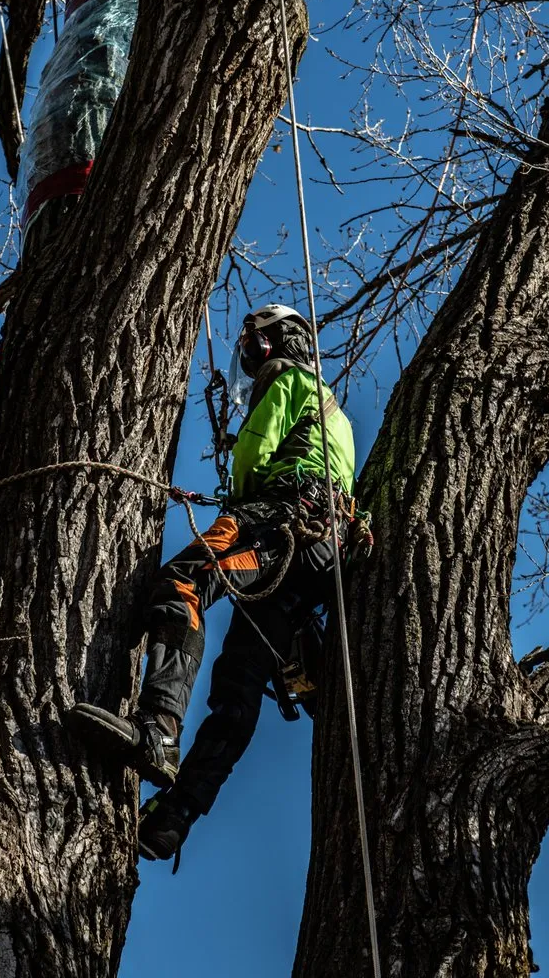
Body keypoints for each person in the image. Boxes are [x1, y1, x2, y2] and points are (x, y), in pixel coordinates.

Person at [67, 304, 365, 863]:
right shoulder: (338, 419)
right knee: (238, 687)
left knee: (183, 583)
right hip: (319, 553)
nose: (251, 356)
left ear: (274, 342)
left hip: (277, 516)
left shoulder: (290, 380)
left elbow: (255, 450)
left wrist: (236, 501)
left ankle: (158, 727)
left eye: (255, 342)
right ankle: (173, 818)